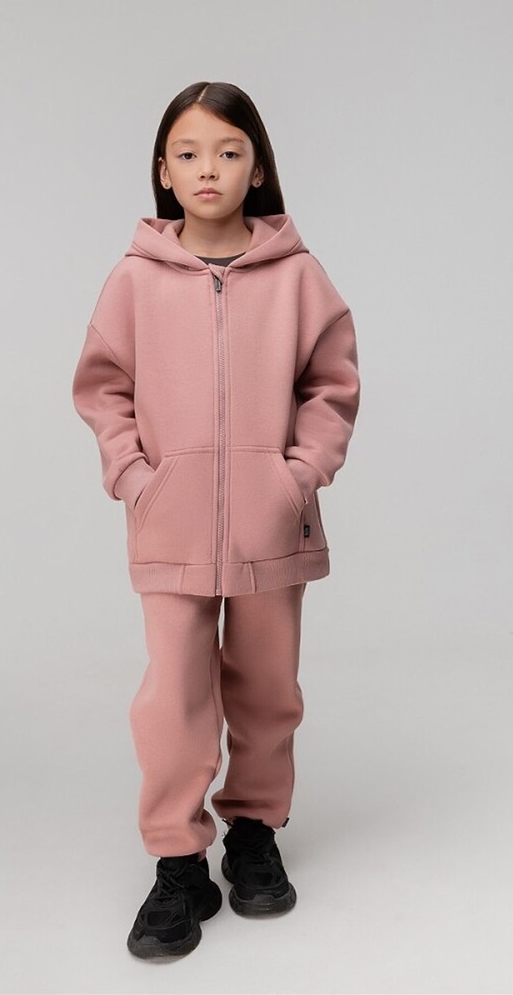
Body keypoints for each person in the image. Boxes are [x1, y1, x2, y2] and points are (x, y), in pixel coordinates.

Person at [72, 80, 360, 960]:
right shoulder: (134, 279)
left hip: (275, 525)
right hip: (172, 525)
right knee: (173, 697)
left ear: (257, 167)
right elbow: (103, 388)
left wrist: (298, 478)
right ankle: (177, 862)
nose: (209, 169)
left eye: (229, 152)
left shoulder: (298, 276)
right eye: (189, 153)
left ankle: (255, 833)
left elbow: (332, 385)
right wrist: (134, 477)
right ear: (163, 171)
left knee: (269, 690)